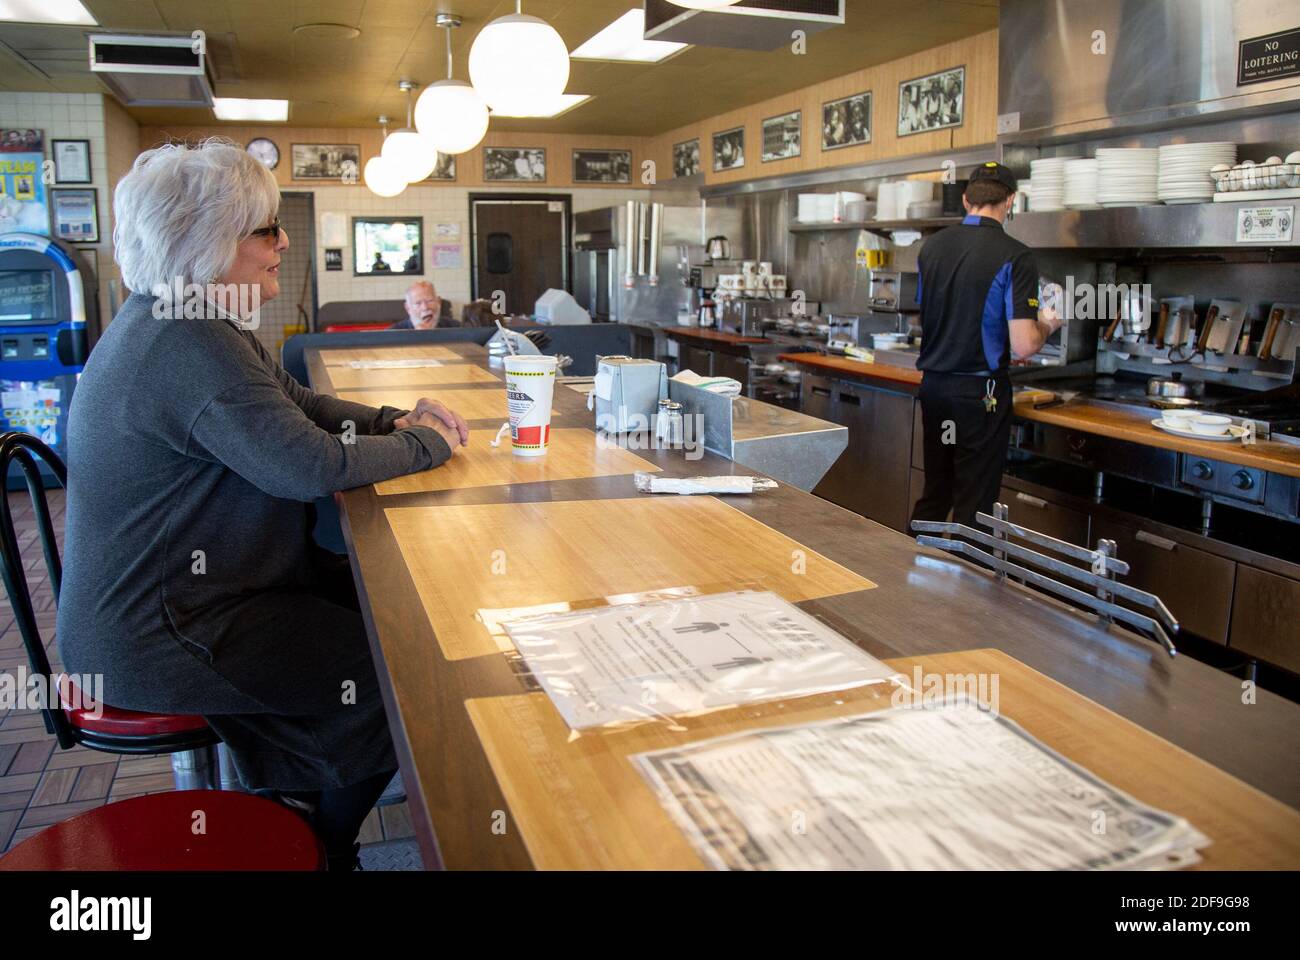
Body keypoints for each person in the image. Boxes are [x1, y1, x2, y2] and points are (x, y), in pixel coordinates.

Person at [56, 139, 471, 871]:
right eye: (265, 228)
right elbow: (304, 465)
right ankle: (312, 836)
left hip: (190, 597)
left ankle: (300, 783)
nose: (281, 243)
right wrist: (429, 445)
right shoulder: (185, 340)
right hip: (163, 627)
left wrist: (391, 421)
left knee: (386, 615)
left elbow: (298, 405)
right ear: (206, 240)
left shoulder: (188, 317)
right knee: (400, 671)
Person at [909, 162, 1060, 531]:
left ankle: (907, 577)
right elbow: (1024, 345)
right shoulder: (1015, 255)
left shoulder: (932, 248)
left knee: (937, 490)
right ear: (1010, 201)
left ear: (965, 200)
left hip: (935, 388)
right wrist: (1051, 322)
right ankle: (966, 584)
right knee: (974, 505)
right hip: (981, 394)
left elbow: (923, 315)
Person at [390, 280, 458, 329]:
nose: (425, 307)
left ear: (439, 302)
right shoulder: (394, 333)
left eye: (430, 301)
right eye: (418, 303)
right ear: (408, 308)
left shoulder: (456, 328)